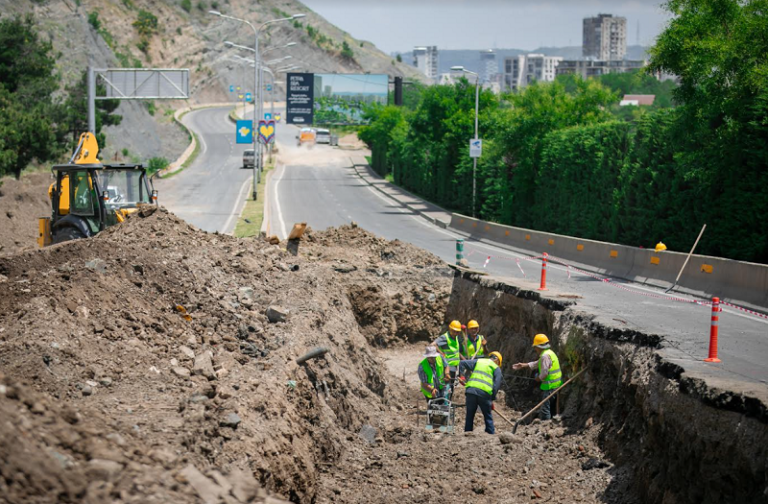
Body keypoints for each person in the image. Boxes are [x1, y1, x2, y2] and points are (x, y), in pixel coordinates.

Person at [512, 334, 562, 420]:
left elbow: (544, 373)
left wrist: (538, 379)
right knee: (552, 406)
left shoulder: (544, 356)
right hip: (556, 384)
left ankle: (545, 425)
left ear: (539, 346)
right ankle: (552, 422)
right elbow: (538, 363)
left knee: (545, 408)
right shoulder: (549, 353)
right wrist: (524, 365)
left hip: (550, 386)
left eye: (535, 347)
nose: (535, 349)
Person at [459, 351, 503, 434]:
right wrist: (491, 399)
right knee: (487, 416)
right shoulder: (496, 368)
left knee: (469, 415)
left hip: (471, 391)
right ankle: (490, 434)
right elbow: (496, 386)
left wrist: (462, 376)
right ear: (497, 360)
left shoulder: (479, 361)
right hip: (484, 393)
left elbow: (462, 363)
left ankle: (467, 434)